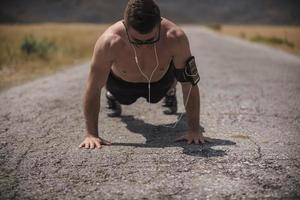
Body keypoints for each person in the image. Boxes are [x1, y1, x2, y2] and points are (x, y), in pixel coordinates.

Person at [79, 0, 205, 149]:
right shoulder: (109, 41)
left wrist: (194, 130)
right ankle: (111, 96)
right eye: (137, 41)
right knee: (132, 124)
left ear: (159, 23)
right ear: (126, 25)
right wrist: (91, 134)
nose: (144, 45)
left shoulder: (175, 37)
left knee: (178, 75)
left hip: (160, 83)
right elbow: (93, 87)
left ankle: (171, 90)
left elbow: (189, 83)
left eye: (151, 39)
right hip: (121, 86)